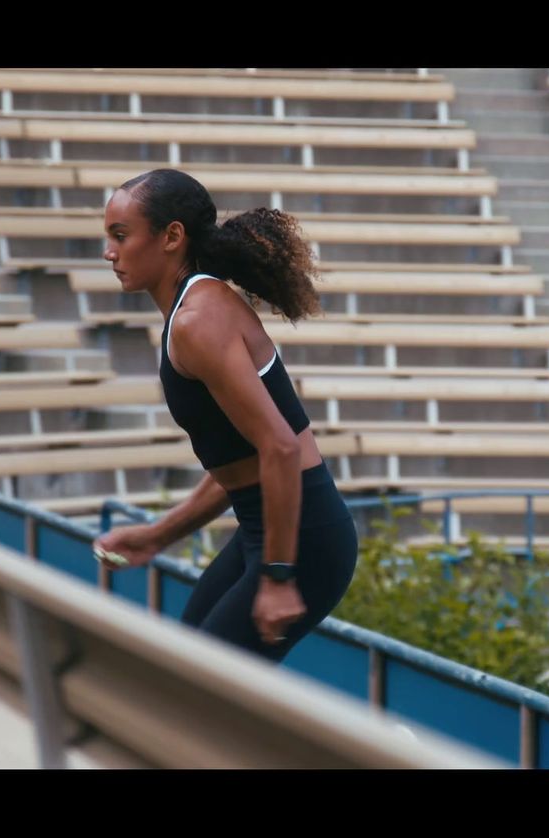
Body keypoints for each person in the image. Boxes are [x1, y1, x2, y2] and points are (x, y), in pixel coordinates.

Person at [91, 169, 358, 663]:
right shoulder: (195, 308)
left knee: (204, 695)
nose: (109, 252)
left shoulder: (198, 321)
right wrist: (158, 535)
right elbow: (246, 464)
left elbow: (280, 446)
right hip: (272, 529)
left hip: (303, 539)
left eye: (120, 236)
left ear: (171, 236)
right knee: (190, 671)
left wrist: (279, 576)